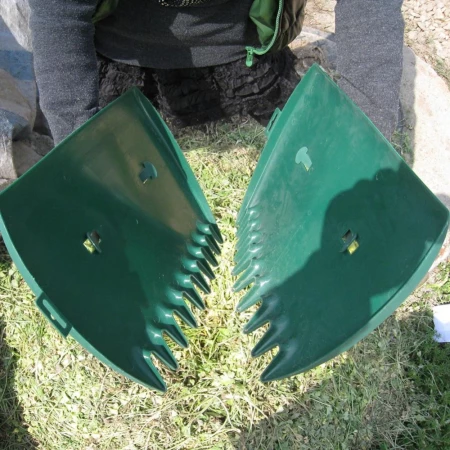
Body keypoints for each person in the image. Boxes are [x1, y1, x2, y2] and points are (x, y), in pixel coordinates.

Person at [28, 0, 404, 145]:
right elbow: (58, 13)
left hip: (247, 63)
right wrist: (79, 149)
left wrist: (367, 139)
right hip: (120, 66)